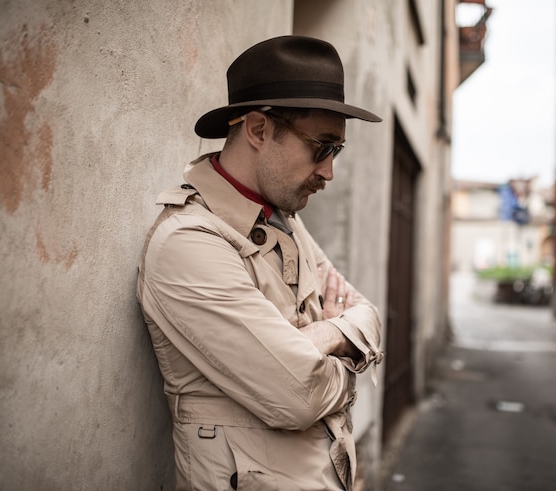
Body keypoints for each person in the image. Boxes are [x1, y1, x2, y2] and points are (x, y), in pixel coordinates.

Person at [137, 35, 383, 491]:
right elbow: (299, 395)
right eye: (321, 147)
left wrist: (321, 336)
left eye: (338, 151)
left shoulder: (284, 221)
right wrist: (347, 350)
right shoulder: (189, 243)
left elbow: (367, 311)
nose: (329, 171)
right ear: (257, 130)